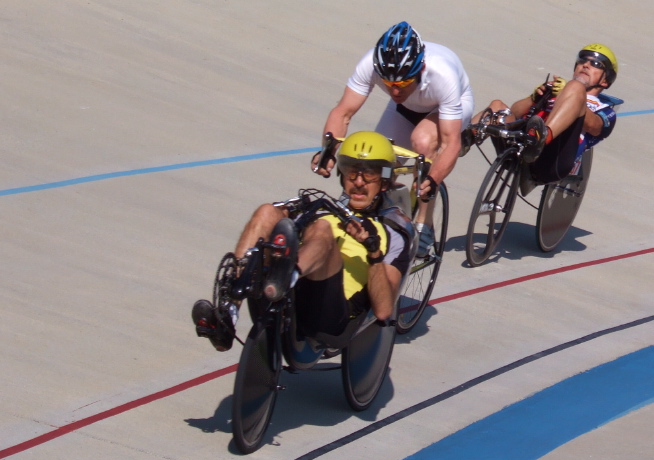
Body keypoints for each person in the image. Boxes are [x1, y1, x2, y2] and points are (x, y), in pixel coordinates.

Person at [192, 131, 413, 352]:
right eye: (351, 172)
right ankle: (228, 313)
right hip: (289, 295)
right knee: (268, 211)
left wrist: (373, 251)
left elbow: (383, 310)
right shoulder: (324, 210)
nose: (358, 182)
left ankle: (286, 277)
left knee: (322, 230)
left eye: (369, 175)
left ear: (384, 182)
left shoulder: (392, 233)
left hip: (330, 315)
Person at [312, 21, 473, 257]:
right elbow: (343, 112)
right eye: (388, 85)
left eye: (402, 84)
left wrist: (434, 179)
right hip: (407, 108)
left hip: (447, 106)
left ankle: (424, 223)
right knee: (378, 158)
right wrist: (328, 150)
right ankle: (380, 208)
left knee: (422, 141)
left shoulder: (442, 75)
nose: (395, 91)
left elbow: (451, 143)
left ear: (421, 68)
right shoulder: (371, 65)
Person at [462, 44, 619, 195]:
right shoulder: (558, 90)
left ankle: (540, 139)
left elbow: (595, 126)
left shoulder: (604, 109)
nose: (586, 65)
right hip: (522, 143)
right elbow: (514, 113)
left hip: (552, 160)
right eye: (582, 60)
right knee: (497, 106)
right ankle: (459, 143)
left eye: (596, 64)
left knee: (575, 87)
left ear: (605, 80)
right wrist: (534, 98)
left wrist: (572, 91)